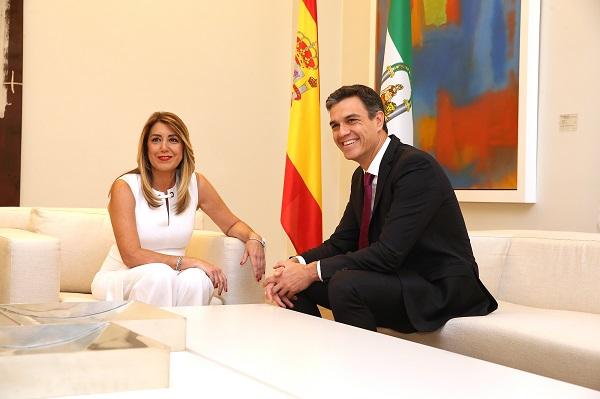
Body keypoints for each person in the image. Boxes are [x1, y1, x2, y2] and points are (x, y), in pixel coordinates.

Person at [265, 85, 497, 332]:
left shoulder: (415, 168)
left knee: (344, 284)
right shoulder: (361, 176)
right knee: (293, 286)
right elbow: (341, 242)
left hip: (438, 286)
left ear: (378, 120)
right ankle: (315, 360)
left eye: (351, 121)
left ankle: (363, 369)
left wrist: (311, 271)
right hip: (397, 278)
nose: (342, 132)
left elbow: (389, 252)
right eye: (335, 125)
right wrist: (295, 264)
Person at [92, 111, 266, 306]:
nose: (164, 148)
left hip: (171, 274)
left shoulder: (196, 184)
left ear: (183, 146)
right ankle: (149, 337)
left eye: (173, 140)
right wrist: (191, 262)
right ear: (146, 148)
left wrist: (253, 237)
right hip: (121, 277)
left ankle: (190, 336)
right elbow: (131, 255)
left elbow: (232, 224)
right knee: (160, 275)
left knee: (197, 280)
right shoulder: (125, 186)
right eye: (156, 140)